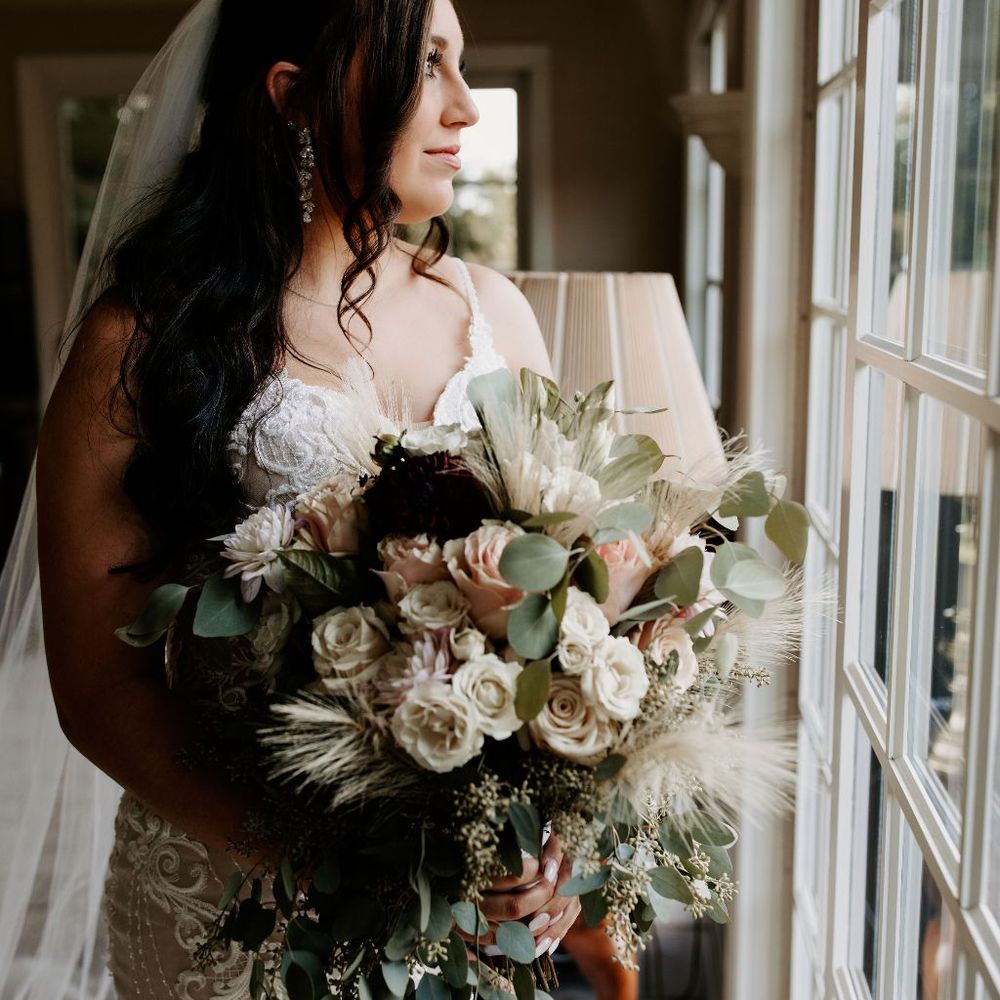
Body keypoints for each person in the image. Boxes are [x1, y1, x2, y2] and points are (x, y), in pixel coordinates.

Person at [28, 0, 583, 995]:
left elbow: (562, 618)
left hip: (455, 934)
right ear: (294, 99)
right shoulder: (145, 340)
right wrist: (339, 864)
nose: (465, 107)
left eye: (464, 64)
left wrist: (549, 850)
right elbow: (100, 690)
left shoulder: (492, 312)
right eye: (426, 65)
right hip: (229, 902)